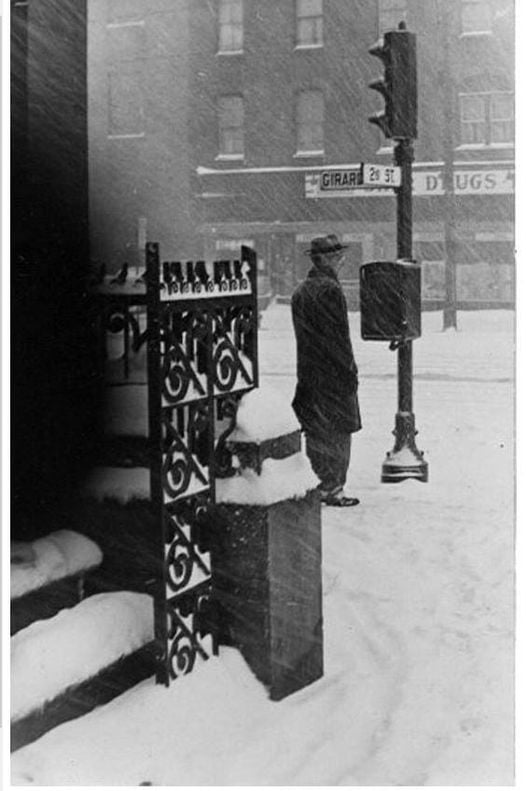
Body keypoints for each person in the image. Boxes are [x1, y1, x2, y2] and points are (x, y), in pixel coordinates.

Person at [291, 234, 361, 506]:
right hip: (333, 374)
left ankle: (319, 484)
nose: (341, 261)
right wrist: (349, 372)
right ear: (330, 259)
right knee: (339, 432)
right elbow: (338, 339)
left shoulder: (301, 291)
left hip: (309, 374)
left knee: (317, 431)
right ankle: (333, 488)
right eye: (338, 257)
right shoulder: (330, 290)